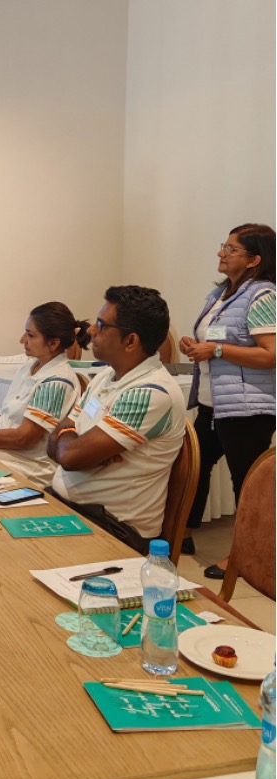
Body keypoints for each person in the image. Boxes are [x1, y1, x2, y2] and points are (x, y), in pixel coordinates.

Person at [47, 285, 186, 554]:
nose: (90, 330)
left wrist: (74, 446)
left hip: (113, 527)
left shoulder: (151, 391)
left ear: (130, 341)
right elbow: (56, 446)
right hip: (73, 509)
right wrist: (73, 443)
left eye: (101, 325)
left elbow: (70, 457)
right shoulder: (105, 376)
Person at [179, 223, 275, 577]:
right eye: (224, 246)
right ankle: (183, 532)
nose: (222, 253)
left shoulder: (262, 296)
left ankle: (245, 554)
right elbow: (217, 340)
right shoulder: (221, 294)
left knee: (246, 481)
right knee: (193, 464)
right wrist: (196, 346)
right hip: (213, 402)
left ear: (254, 260)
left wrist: (216, 349)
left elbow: (271, 354)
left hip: (247, 408)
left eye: (231, 249)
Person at [0, 302, 90, 487]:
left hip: (24, 465)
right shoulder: (30, 367)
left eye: (30, 335)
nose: (22, 340)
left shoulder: (57, 381)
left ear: (53, 343)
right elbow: (4, 412)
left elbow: (24, 438)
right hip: (0, 453)